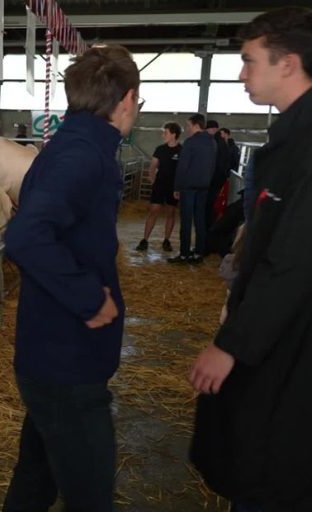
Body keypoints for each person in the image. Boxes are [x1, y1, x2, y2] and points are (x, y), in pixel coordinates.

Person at [3, 45, 141, 512]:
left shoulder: (73, 145)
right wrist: (89, 297)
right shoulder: (84, 154)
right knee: (90, 493)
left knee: (37, 477)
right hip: (68, 358)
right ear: (126, 99)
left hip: (52, 351)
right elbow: (25, 235)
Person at [189, 7, 312, 512]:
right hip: (281, 331)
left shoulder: (305, 146)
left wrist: (231, 344)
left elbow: (293, 260)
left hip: (292, 343)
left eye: (248, 61)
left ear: (289, 63)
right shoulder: (291, 137)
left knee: (270, 460)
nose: (241, 74)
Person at [167, 113, 217, 264]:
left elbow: (183, 167)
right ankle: (198, 254)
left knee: (187, 220)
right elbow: (213, 165)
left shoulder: (190, 142)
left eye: (188, 125)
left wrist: (177, 187)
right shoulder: (212, 142)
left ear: (196, 125)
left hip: (188, 186)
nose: (187, 128)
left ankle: (184, 254)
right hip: (204, 186)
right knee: (200, 219)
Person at [135, 122, 183, 252]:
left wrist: (179, 187)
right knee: (153, 211)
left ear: (174, 134)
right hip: (160, 185)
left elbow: (183, 170)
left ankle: (166, 240)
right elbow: (153, 166)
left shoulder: (182, 151)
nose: (163, 135)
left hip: (173, 187)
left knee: (171, 213)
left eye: (166, 133)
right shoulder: (160, 149)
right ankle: (144, 240)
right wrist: (152, 180)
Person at [205, 119, 233, 232]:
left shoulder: (214, 142)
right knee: (211, 205)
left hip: (213, 180)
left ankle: (208, 232)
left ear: (212, 129)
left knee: (208, 207)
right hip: (219, 179)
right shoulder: (222, 142)